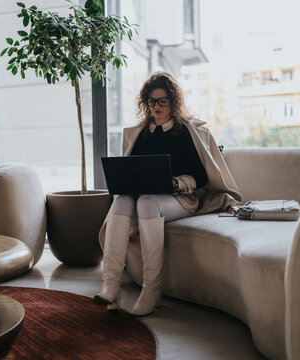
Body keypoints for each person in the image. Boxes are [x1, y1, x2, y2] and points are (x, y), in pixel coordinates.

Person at [94, 71, 242, 316]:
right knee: (122, 200)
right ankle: (110, 285)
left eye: (163, 100)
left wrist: (174, 183)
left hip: (182, 198)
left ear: (173, 101)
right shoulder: (140, 133)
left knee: (147, 203)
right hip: (144, 196)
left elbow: (201, 177)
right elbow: (133, 171)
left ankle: (152, 289)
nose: (157, 106)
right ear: (146, 102)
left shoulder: (186, 133)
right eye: (152, 101)